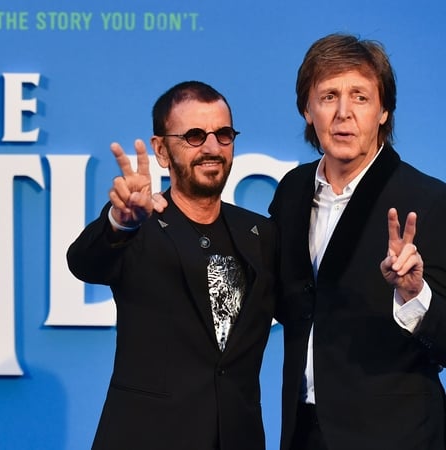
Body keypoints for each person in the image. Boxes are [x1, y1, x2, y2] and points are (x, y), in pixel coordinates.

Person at [67, 81, 277, 450]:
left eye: (223, 134)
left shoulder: (260, 234)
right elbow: (85, 262)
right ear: (161, 150)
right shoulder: (139, 226)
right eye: (194, 136)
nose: (212, 148)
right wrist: (121, 223)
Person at [269, 33, 446, 450]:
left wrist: (414, 294)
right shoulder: (292, 192)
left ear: (384, 110)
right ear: (307, 110)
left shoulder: (429, 201)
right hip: (304, 430)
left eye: (360, 97)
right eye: (328, 96)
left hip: (396, 436)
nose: (343, 114)